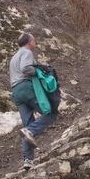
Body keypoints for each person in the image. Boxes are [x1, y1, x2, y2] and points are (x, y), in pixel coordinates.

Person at [10, 33, 59, 170]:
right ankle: (31, 131)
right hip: (26, 87)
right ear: (29, 41)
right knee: (51, 112)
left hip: (16, 91)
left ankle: (28, 160)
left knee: (27, 123)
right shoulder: (27, 52)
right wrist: (38, 69)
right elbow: (26, 68)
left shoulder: (14, 57)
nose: (35, 42)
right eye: (34, 40)